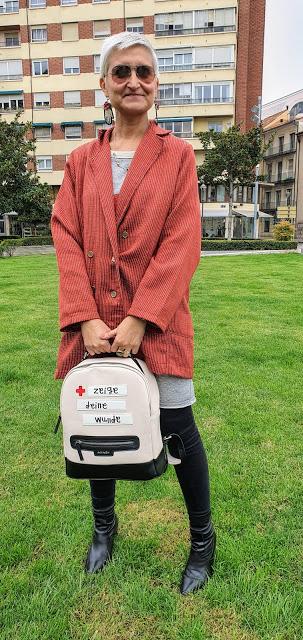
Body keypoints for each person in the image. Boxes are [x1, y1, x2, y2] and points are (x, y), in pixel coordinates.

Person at [51, 31, 216, 596]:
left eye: (143, 72)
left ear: (157, 85)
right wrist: (85, 319)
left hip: (159, 321)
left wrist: (143, 317)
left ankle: (202, 540)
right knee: (100, 420)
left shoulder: (177, 156)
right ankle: (104, 527)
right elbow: (67, 238)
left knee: (178, 427)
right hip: (94, 324)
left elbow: (182, 242)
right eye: (121, 73)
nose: (133, 82)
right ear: (103, 86)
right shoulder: (79, 161)